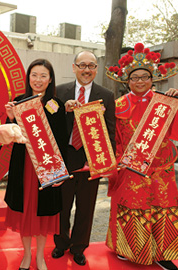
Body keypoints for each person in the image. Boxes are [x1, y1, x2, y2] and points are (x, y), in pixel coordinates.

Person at [105, 43, 178, 270]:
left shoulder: (165, 102)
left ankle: (162, 253)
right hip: (131, 169)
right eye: (134, 77)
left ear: (153, 79)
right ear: (127, 81)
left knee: (162, 208)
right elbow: (114, 138)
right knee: (131, 208)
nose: (140, 81)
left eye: (144, 77)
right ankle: (127, 249)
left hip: (161, 170)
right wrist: (119, 162)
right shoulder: (117, 106)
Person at [51, 51, 116, 266]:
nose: (86, 70)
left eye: (91, 66)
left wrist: (105, 162)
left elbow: (111, 129)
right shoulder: (59, 91)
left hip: (93, 158)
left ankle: (79, 248)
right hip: (66, 156)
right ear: (73, 67)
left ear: (96, 69)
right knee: (62, 205)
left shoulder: (106, 95)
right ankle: (61, 244)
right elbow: (48, 120)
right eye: (82, 65)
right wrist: (63, 110)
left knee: (86, 207)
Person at [4, 59, 69, 270]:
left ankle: (40, 257)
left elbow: (61, 139)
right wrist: (11, 118)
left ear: (50, 79)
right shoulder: (19, 101)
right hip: (23, 166)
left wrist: (60, 173)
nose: (38, 80)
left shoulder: (56, 105)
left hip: (47, 168)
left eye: (43, 75)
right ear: (28, 77)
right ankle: (26, 256)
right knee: (25, 212)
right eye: (34, 75)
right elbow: (9, 136)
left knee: (43, 213)